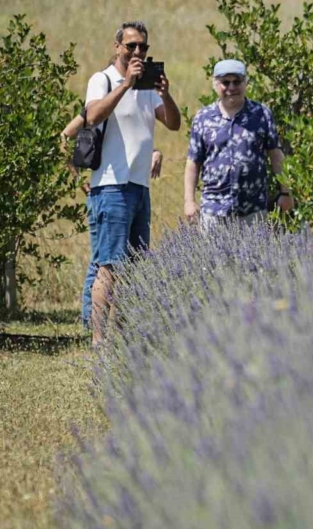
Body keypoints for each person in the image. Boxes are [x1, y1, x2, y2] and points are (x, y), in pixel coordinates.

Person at [84, 21, 181, 345]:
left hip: (139, 187)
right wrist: (125, 84)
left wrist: (165, 94)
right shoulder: (102, 79)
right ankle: (99, 340)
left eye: (143, 46)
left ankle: (123, 337)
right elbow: (92, 116)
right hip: (111, 185)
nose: (138, 51)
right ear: (117, 47)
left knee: (134, 268)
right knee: (109, 265)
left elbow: (173, 123)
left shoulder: (147, 87)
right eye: (131, 46)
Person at [62, 112, 162, 328]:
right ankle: (90, 323)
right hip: (105, 192)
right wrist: (80, 182)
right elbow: (64, 138)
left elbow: (128, 146)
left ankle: (104, 324)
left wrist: (155, 152)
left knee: (112, 261)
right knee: (102, 261)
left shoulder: (126, 108)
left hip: (126, 189)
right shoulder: (97, 109)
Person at [184, 59, 293, 230]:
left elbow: (276, 156)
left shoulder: (261, 114)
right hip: (213, 211)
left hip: (253, 210)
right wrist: (189, 201)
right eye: (225, 82)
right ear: (215, 85)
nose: (231, 87)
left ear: (245, 83)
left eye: (237, 81)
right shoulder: (203, 118)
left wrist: (286, 192)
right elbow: (193, 162)